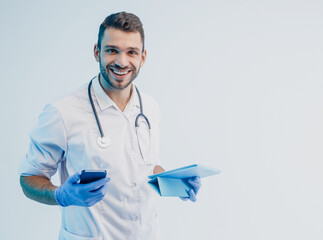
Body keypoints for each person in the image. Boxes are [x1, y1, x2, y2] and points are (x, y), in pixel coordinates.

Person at [18, 12, 201, 240]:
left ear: (143, 57)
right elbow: (28, 178)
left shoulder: (151, 107)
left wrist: (174, 182)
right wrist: (61, 195)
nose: (122, 62)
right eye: (112, 50)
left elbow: (146, 167)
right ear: (97, 52)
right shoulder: (62, 112)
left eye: (131, 52)